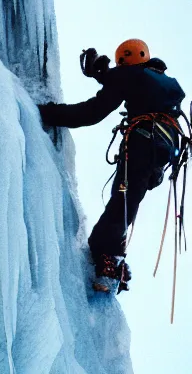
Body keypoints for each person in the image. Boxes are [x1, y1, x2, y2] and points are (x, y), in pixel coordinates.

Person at [38, 39, 186, 293]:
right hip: (160, 156)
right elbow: (126, 83)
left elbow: (91, 112)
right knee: (127, 202)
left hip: (142, 145)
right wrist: (104, 74)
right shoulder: (160, 83)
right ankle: (114, 257)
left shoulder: (131, 76)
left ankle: (107, 258)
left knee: (121, 203)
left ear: (125, 61)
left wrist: (47, 113)